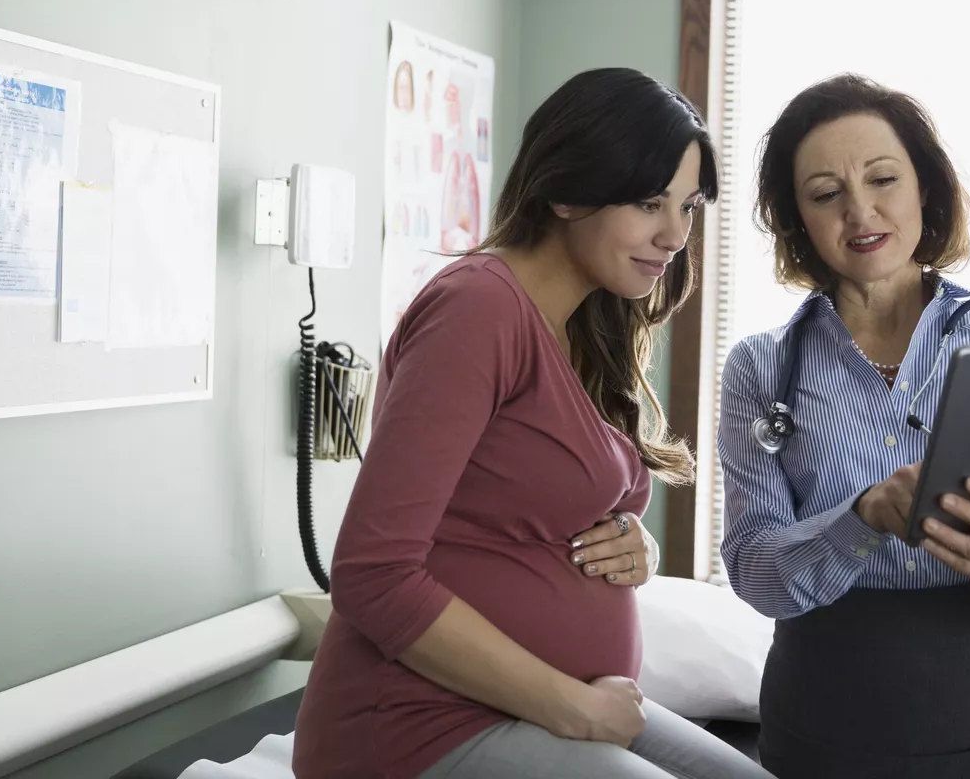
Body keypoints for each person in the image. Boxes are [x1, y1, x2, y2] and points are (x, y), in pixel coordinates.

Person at [294, 69, 772, 779]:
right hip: (417, 724)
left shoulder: (585, 323)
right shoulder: (478, 309)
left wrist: (631, 543)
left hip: (546, 705)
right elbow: (371, 574)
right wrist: (576, 710)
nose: (675, 235)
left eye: (688, 206)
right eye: (649, 203)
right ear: (568, 193)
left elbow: (528, 499)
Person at [718, 73, 970, 778]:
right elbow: (754, 572)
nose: (860, 211)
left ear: (926, 188)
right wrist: (858, 520)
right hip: (824, 727)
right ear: (798, 219)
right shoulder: (761, 369)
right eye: (825, 193)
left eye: (883, 179)